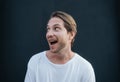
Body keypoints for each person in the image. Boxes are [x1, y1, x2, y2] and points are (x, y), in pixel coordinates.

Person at [24, 11, 96, 82]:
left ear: (71, 35)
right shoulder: (36, 61)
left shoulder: (85, 68)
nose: (49, 34)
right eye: (48, 29)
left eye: (56, 28)